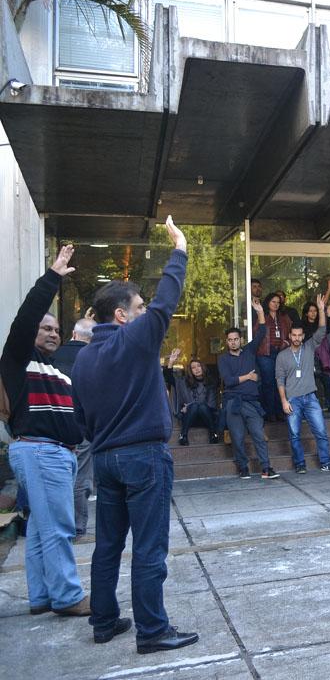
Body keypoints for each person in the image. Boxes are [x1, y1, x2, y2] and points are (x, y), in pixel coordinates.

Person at [72, 217, 199, 653]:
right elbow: (166, 302)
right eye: (139, 307)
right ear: (122, 315)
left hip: (105, 459)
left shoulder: (84, 359)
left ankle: (103, 622)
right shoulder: (136, 339)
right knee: (149, 548)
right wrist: (179, 249)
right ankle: (152, 631)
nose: (148, 312)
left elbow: (81, 419)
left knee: (107, 545)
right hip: (143, 457)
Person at [1, 245, 90, 618]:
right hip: (39, 451)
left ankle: (40, 596)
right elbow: (25, 319)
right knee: (58, 525)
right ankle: (68, 596)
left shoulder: (57, 369)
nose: (52, 333)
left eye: (56, 329)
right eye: (45, 328)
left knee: (40, 526)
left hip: (57, 453)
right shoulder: (18, 360)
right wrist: (52, 276)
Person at [218, 302, 280, 480]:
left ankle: (266, 468)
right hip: (233, 404)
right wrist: (248, 377)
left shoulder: (249, 351)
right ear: (227, 342)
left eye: (236, 339)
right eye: (230, 340)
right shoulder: (223, 359)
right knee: (237, 438)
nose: (233, 342)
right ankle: (243, 468)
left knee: (259, 436)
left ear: (241, 340)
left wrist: (260, 312)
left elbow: (261, 331)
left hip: (252, 402)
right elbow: (229, 381)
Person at [277, 304, 330, 474]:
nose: (296, 338)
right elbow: (279, 380)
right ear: (290, 336)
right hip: (292, 400)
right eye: (293, 335)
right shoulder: (282, 356)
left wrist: (321, 311)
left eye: (299, 335)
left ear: (303, 336)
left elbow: (322, 329)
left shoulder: (310, 347)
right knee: (295, 435)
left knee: (321, 432)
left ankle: (326, 462)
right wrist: (283, 401)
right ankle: (300, 464)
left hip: (311, 397)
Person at [52, 314, 96, 540]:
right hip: (81, 425)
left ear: (72, 334)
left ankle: (57, 525)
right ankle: (78, 527)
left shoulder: (53, 355)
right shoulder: (93, 357)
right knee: (81, 477)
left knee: (57, 476)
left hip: (52, 425)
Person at [172, 357, 222, 446]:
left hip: (206, 417)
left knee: (201, 406)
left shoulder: (210, 383)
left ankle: (213, 433)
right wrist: (171, 361)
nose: (197, 369)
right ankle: (183, 435)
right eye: (193, 367)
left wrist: (189, 405)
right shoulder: (185, 382)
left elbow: (212, 406)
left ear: (203, 367)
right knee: (195, 407)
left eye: (198, 366)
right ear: (191, 371)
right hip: (190, 418)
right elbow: (171, 379)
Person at [256, 292, 290, 421]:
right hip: (265, 353)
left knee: (279, 382)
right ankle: (269, 413)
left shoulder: (284, 317)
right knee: (268, 382)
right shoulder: (263, 316)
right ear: (268, 303)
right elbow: (256, 333)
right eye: (273, 302)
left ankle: (280, 411)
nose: (276, 304)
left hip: (281, 353)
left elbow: (291, 333)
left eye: (278, 302)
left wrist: (286, 342)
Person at [302, 299, 330, 416]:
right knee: (311, 385)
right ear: (306, 313)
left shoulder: (320, 323)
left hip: (323, 358)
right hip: (309, 358)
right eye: (311, 311)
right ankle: (313, 409)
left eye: (315, 311)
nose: (313, 313)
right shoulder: (302, 326)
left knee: (327, 382)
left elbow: (329, 329)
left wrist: (329, 316)